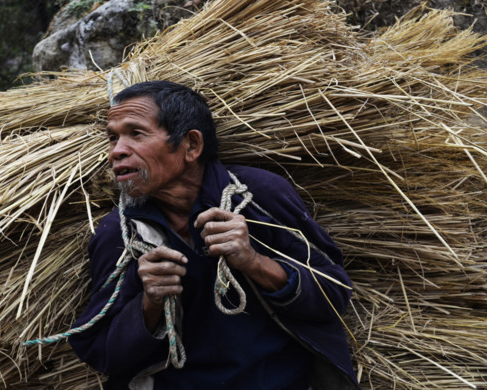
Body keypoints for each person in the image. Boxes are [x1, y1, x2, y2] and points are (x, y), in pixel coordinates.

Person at [68, 81, 359, 389]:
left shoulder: (260, 197)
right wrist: (150, 303)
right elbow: (102, 352)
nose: (117, 151)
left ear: (191, 145)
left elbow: (334, 292)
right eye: (112, 138)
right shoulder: (120, 232)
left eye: (136, 134)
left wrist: (253, 261)